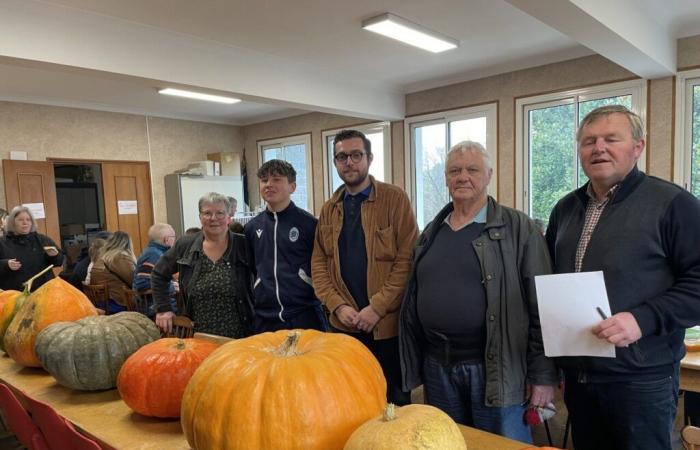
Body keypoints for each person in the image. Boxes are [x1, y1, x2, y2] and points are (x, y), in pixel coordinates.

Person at [546, 105, 700, 450]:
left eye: (611, 139)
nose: (598, 148)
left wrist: (643, 319)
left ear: (638, 147)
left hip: (641, 379)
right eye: (588, 141)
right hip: (579, 378)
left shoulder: (674, 204)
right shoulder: (564, 210)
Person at [399, 141, 557, 442]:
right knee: (448, 444)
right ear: (446, 178)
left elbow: (543, 307)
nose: (463, 177)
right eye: (454, 171)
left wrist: (543, 375)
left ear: (488, 175)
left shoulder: (518, 228)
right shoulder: (432, 231)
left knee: (502, 447)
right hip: (438, 367)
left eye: (472, 169)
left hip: (496, 371)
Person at [311, 129, 418, 406]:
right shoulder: (329, 209)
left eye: (356, 155)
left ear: (369, 158)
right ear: (335, 163)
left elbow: (406, 260)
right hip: (344, 327)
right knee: (350, 401)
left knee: (392, 402)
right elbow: (319, 264)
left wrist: (377, 308)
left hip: (386, 328)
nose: (349, 162)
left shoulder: (395, 200)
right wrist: (338, 306)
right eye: (342, 157)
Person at [152, 193, 254, 339]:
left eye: (220, 213)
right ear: (200, 217)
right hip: (196, 336)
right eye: (207, 213)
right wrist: (163, 309)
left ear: (228, 217)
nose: (213, 218)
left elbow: (267, 278)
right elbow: (158, 274)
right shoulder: (185, 245)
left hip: (239, 336)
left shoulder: (244, 245)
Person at [244, 159, 326, 333]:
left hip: (304, 314)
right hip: (264, 318)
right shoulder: (252, 227)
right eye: (264, 180)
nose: (269, 184)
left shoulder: (309, 224)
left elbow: (322, 266)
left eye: (276, 179)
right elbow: (251, 268)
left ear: (292, 187)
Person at [0, 205, 64, 291]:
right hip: (15, 295)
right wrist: (5, 264)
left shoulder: (42, 240)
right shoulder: (2, 243)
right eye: (20, 220)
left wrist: (55, 255)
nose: (25, 223)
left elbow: (59, 262)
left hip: (43, 292)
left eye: (28, 220)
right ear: (12, 222)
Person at [133, 223, 178, 316]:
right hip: (153, 306)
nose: (175, 240)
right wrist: (173, 287)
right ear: (167, 239)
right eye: (174, 237)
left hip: (154, 303)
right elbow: (141, 283)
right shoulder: (154, 255)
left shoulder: (154, 251)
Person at [89, 231, 136, 313]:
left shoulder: (102, 258)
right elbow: (134, 280)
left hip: (102, 303)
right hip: (118, 303)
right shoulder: (119, 258)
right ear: (127, 244)